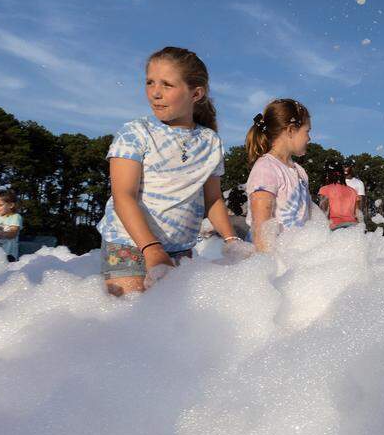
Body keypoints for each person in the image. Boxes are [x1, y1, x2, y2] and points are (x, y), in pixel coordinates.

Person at [97, 47, 241, 297]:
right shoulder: (135, 133)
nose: (155, 93)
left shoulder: (210, 141)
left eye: (167, 85)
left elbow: (213, 199)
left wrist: (232, 241)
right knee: (126, 319)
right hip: (128, 244)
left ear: (196, 93)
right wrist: (152, 249)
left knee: (166, 327)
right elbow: (123, 196)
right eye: (150, 82)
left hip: (179, 248)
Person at [245, 98, 312, 252]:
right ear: (290, 130)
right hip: (269, 255)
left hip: (294, 254)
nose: (309, 138)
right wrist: (268, 263)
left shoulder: (300, 172)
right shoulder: (266, 168)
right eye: (307, 131)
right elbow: (261, 226)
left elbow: (310, 219)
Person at [318, 162, 359, 230]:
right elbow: (358, 214)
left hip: (335, 227)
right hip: (353, 227)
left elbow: (323, 213)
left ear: (329, 175)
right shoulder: (353, 191)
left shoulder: (325, 189)